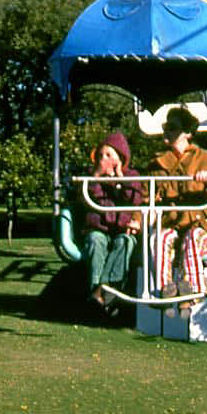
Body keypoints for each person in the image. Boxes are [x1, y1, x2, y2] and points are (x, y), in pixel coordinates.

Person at [149, 106, 207, 312]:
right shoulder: (158, 164)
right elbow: (148, 197)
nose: (167, 132)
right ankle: (165, 290)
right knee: (160, 238)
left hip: (201, 225)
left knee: (192, 239)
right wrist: (140, 219)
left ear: (188, 133)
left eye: (172, 128)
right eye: (166, 127)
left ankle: (192, 292)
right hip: (173, 223)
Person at [77, 132, 143, 308]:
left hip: (122, 229)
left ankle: (107, 288)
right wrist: (96, 177)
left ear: (120, 157)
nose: (102, 159)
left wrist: (121, 179)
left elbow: (134, 200)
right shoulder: (91, 177)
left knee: (125, 242)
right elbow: (87, 197)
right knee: (95, 241)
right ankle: (96, 288)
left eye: (108, 155)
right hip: (98, 228)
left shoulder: (132, 176)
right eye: (100, 156)